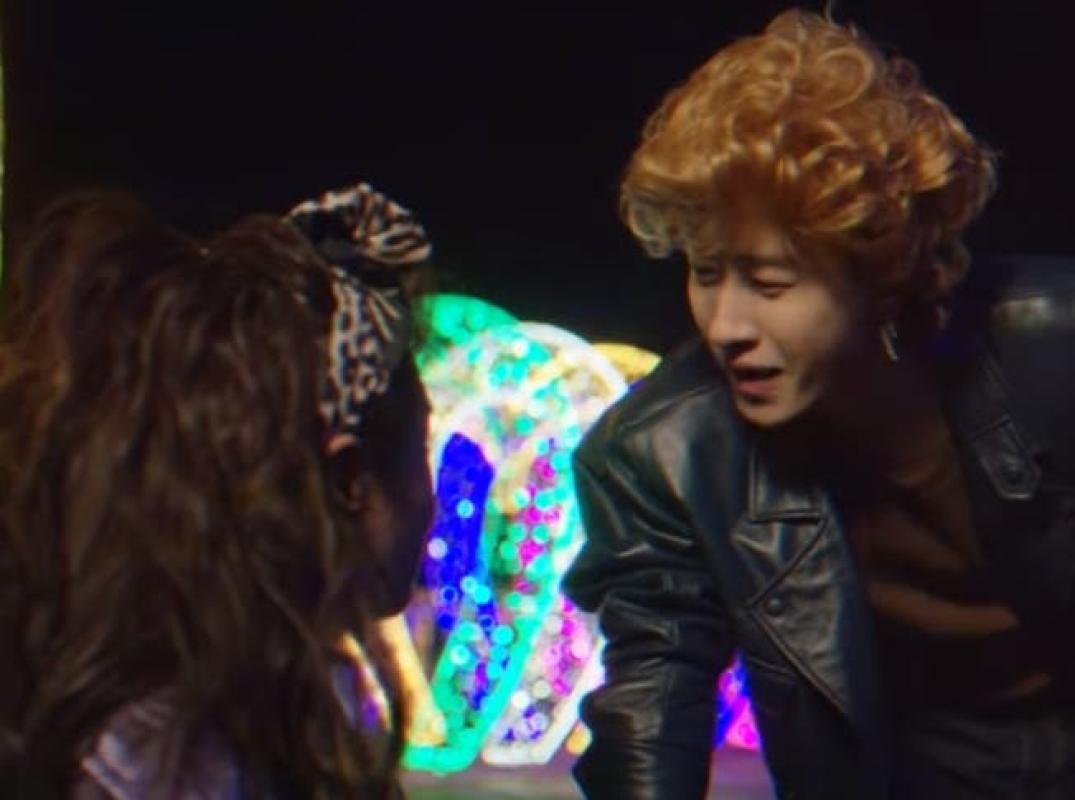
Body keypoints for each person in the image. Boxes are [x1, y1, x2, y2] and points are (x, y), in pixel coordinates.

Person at [563, 9, 1075, 799]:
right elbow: (652, 698)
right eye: (704, 272)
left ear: (880, 272)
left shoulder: (1053, 349)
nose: (725, 326)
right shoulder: (659, 452)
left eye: (770, 282)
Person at [0, 182, 436, 798]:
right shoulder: (181, 760)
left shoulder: (141, 711)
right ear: (350, 482)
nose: (431, 502)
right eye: (421, 453)